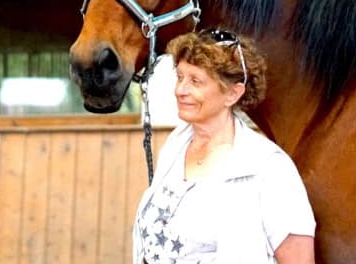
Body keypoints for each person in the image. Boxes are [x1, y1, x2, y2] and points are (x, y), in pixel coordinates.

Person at [133, 29, 316, 263]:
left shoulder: (269, 168)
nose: (180, 90)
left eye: (195, 81)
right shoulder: (175, 145)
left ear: (233, 93)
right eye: (180, 77)